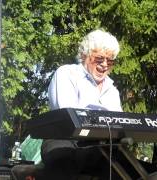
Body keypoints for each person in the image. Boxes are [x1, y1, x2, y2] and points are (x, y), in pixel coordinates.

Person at [41, 29, 122, 179]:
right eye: (99, 59)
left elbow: (120, 124)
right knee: (62, 158)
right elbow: (67, 117)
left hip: (101, 146)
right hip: (66, 140)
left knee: (133, 168)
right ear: (85, 55)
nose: (105, 65)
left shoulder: (112, 90)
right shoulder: (67, 73)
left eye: (110, 61)